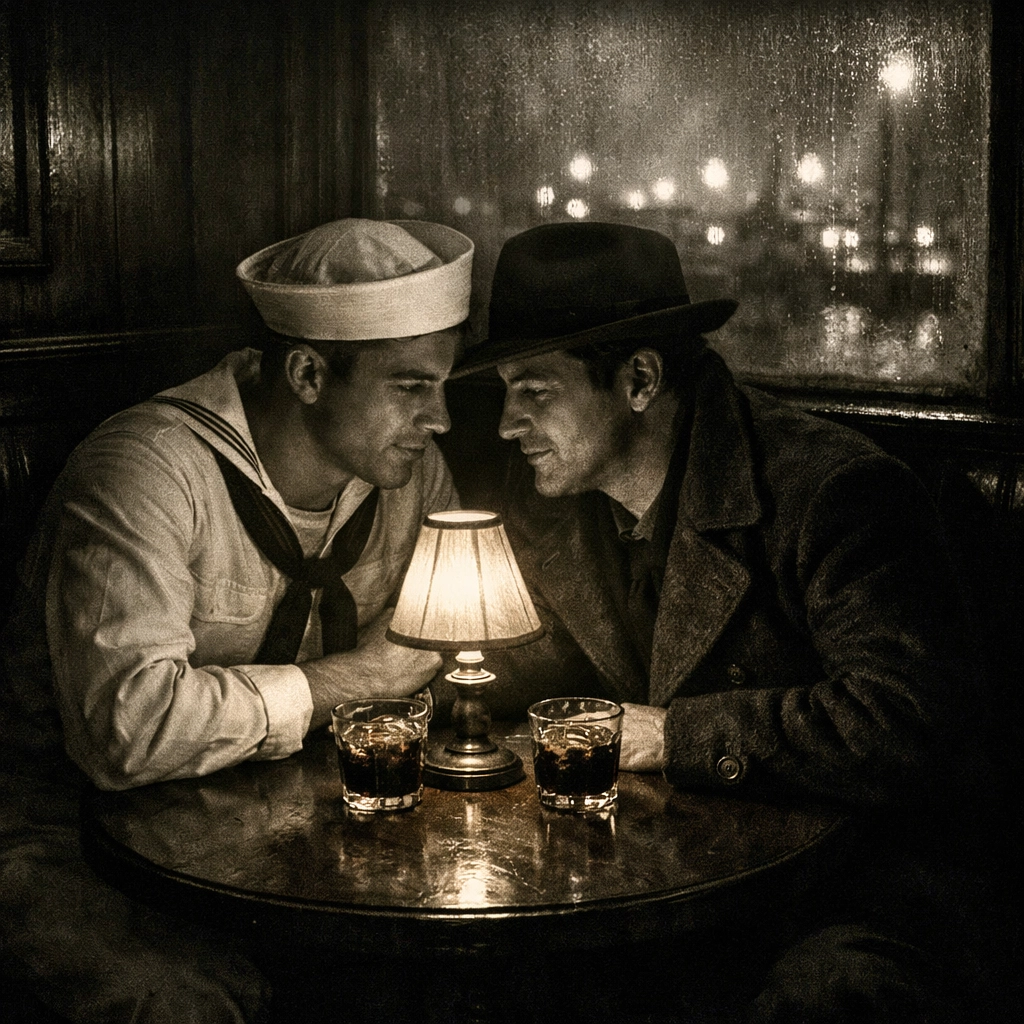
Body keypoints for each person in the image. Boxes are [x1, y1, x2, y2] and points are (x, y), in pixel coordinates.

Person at [452, 221, 992, 1023]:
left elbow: (907, 722)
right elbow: (532, 665)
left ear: (639, 379)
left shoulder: (832, 490)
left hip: (840, 891)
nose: (506, 424)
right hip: (647, 884)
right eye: (504, 393)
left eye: (534, 390)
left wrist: (671, 736)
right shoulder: (549, 503)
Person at [0, 218, 473, 1023]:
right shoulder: (145, 471)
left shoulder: (411, 476)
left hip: (280, 831)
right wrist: (360, 678)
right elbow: (128, 730)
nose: (441, 419)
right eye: (409, 386)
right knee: (187, 1004)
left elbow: (451, 644)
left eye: (443, 385)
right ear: (308, 372)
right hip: (70, 834)